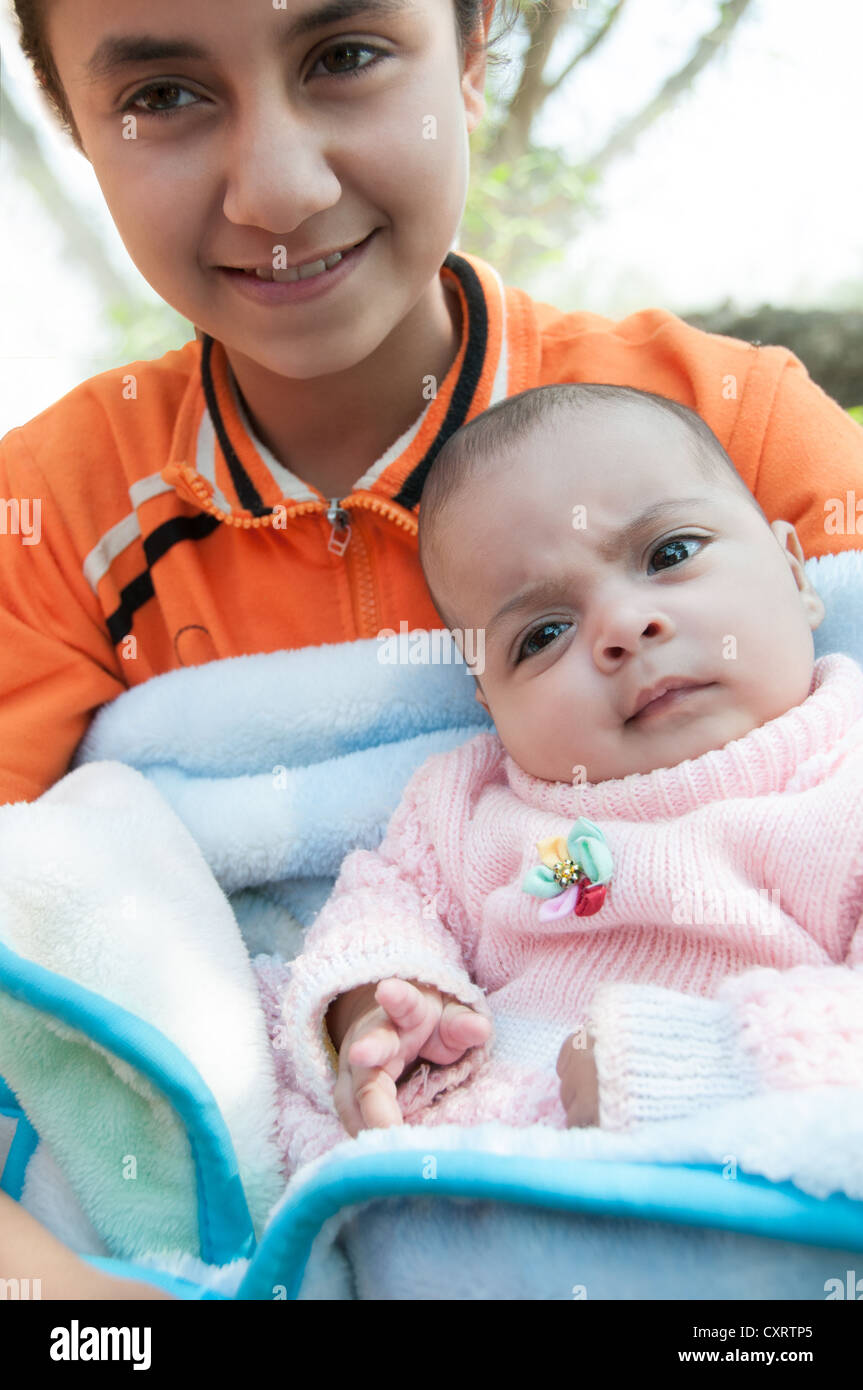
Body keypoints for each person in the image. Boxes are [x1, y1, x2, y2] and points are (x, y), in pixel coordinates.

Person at [1, 0, 860, 1296]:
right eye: (166, 95)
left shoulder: (732, 429)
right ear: (73, 123)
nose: (278, 189)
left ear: (471, 51)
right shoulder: (48, 531)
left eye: (342, 56)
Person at [261, 383, 863, 1175]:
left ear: (794, 573)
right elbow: (382, 902)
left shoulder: (840, 780)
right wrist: (376, 1004)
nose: (622, 627)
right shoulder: (470, 806)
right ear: (488, 700)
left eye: (669, 554)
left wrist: (693, 1061)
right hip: (469, 1178)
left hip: (739, 1196)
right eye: (543, 633)